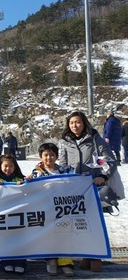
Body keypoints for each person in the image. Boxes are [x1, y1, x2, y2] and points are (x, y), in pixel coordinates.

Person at [58, 111, 117, 273]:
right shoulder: (64, 141)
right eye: (71, 123)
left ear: (84, 123)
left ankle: (95, 255)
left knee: (95, 222)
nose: (74, 126)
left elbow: (109, 160)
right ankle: (86, 256)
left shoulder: (95, 139)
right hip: (74, 189)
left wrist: (103, 177)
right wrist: (64, 177)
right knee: (79, 223)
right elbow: (62, 164)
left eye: (77, 122)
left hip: (92, 187)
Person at [24, 143, 74, 277]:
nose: (49, 158)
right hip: (45, 209)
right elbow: (31, 189)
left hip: (62, 209)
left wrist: (84, 178)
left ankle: (65, 262)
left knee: (64, 234)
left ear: (56, 156)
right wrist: (27, 181)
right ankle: (51, 259)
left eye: (52, 155)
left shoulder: (65, 170)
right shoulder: (37, 172)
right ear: (41, 157)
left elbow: (75, 181)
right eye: (46, 155)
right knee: (49, 234)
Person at [0, 154, 26, 274]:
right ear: (0, 166)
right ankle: (6, 261)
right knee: (5, 239)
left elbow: (29, 192)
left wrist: (24, 185)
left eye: (11, 166)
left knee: (20, 239)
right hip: (2, 215)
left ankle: (20, 261)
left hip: (18, 214)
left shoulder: (19, 179)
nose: (8, 169)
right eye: (5, 166)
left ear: (15, 167)